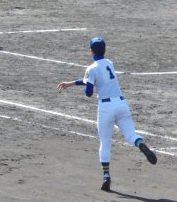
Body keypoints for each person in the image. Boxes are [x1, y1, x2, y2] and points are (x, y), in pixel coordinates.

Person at [57, 37, 157, 192]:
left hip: (106, 107)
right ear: (104, 50)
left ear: (91, 51)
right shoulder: (109, 63)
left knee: (105, 143)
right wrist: (70, 83)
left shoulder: (91, 68)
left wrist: (87, 87)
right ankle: (140, 144)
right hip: (121, 103)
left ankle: (106, 176)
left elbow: (89, 92)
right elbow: (92, 79)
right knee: (131, 135)